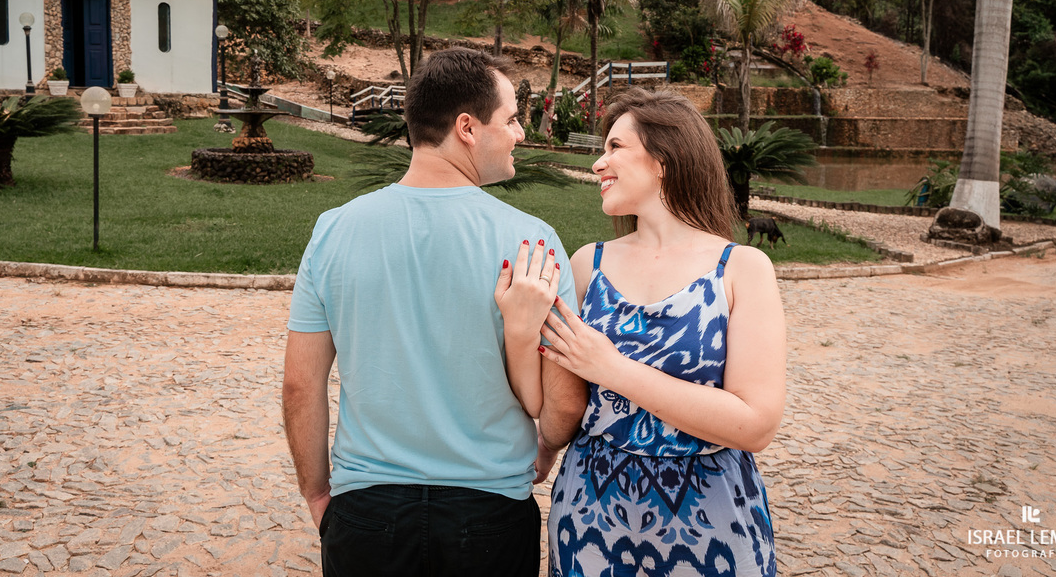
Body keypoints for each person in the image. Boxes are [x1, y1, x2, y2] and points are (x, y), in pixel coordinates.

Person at [282, 46, 588, 577]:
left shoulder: (333, 231)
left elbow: (300, 386)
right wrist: (545, 447)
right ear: (467, 128)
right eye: (512, 119)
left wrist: (316, 494)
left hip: (366, 512)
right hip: (490, 514)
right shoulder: (533, 243)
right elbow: (563, 404)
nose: (520, 133)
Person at [499, 87, 785, 577]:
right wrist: (543, 442)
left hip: (712, 520)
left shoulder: (742, 268)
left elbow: (755, 424)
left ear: (663, 161)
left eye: (615, 147)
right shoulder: (587, 265)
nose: (598, 164)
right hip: (590, 514)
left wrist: (612, 369)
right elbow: (560, 398)